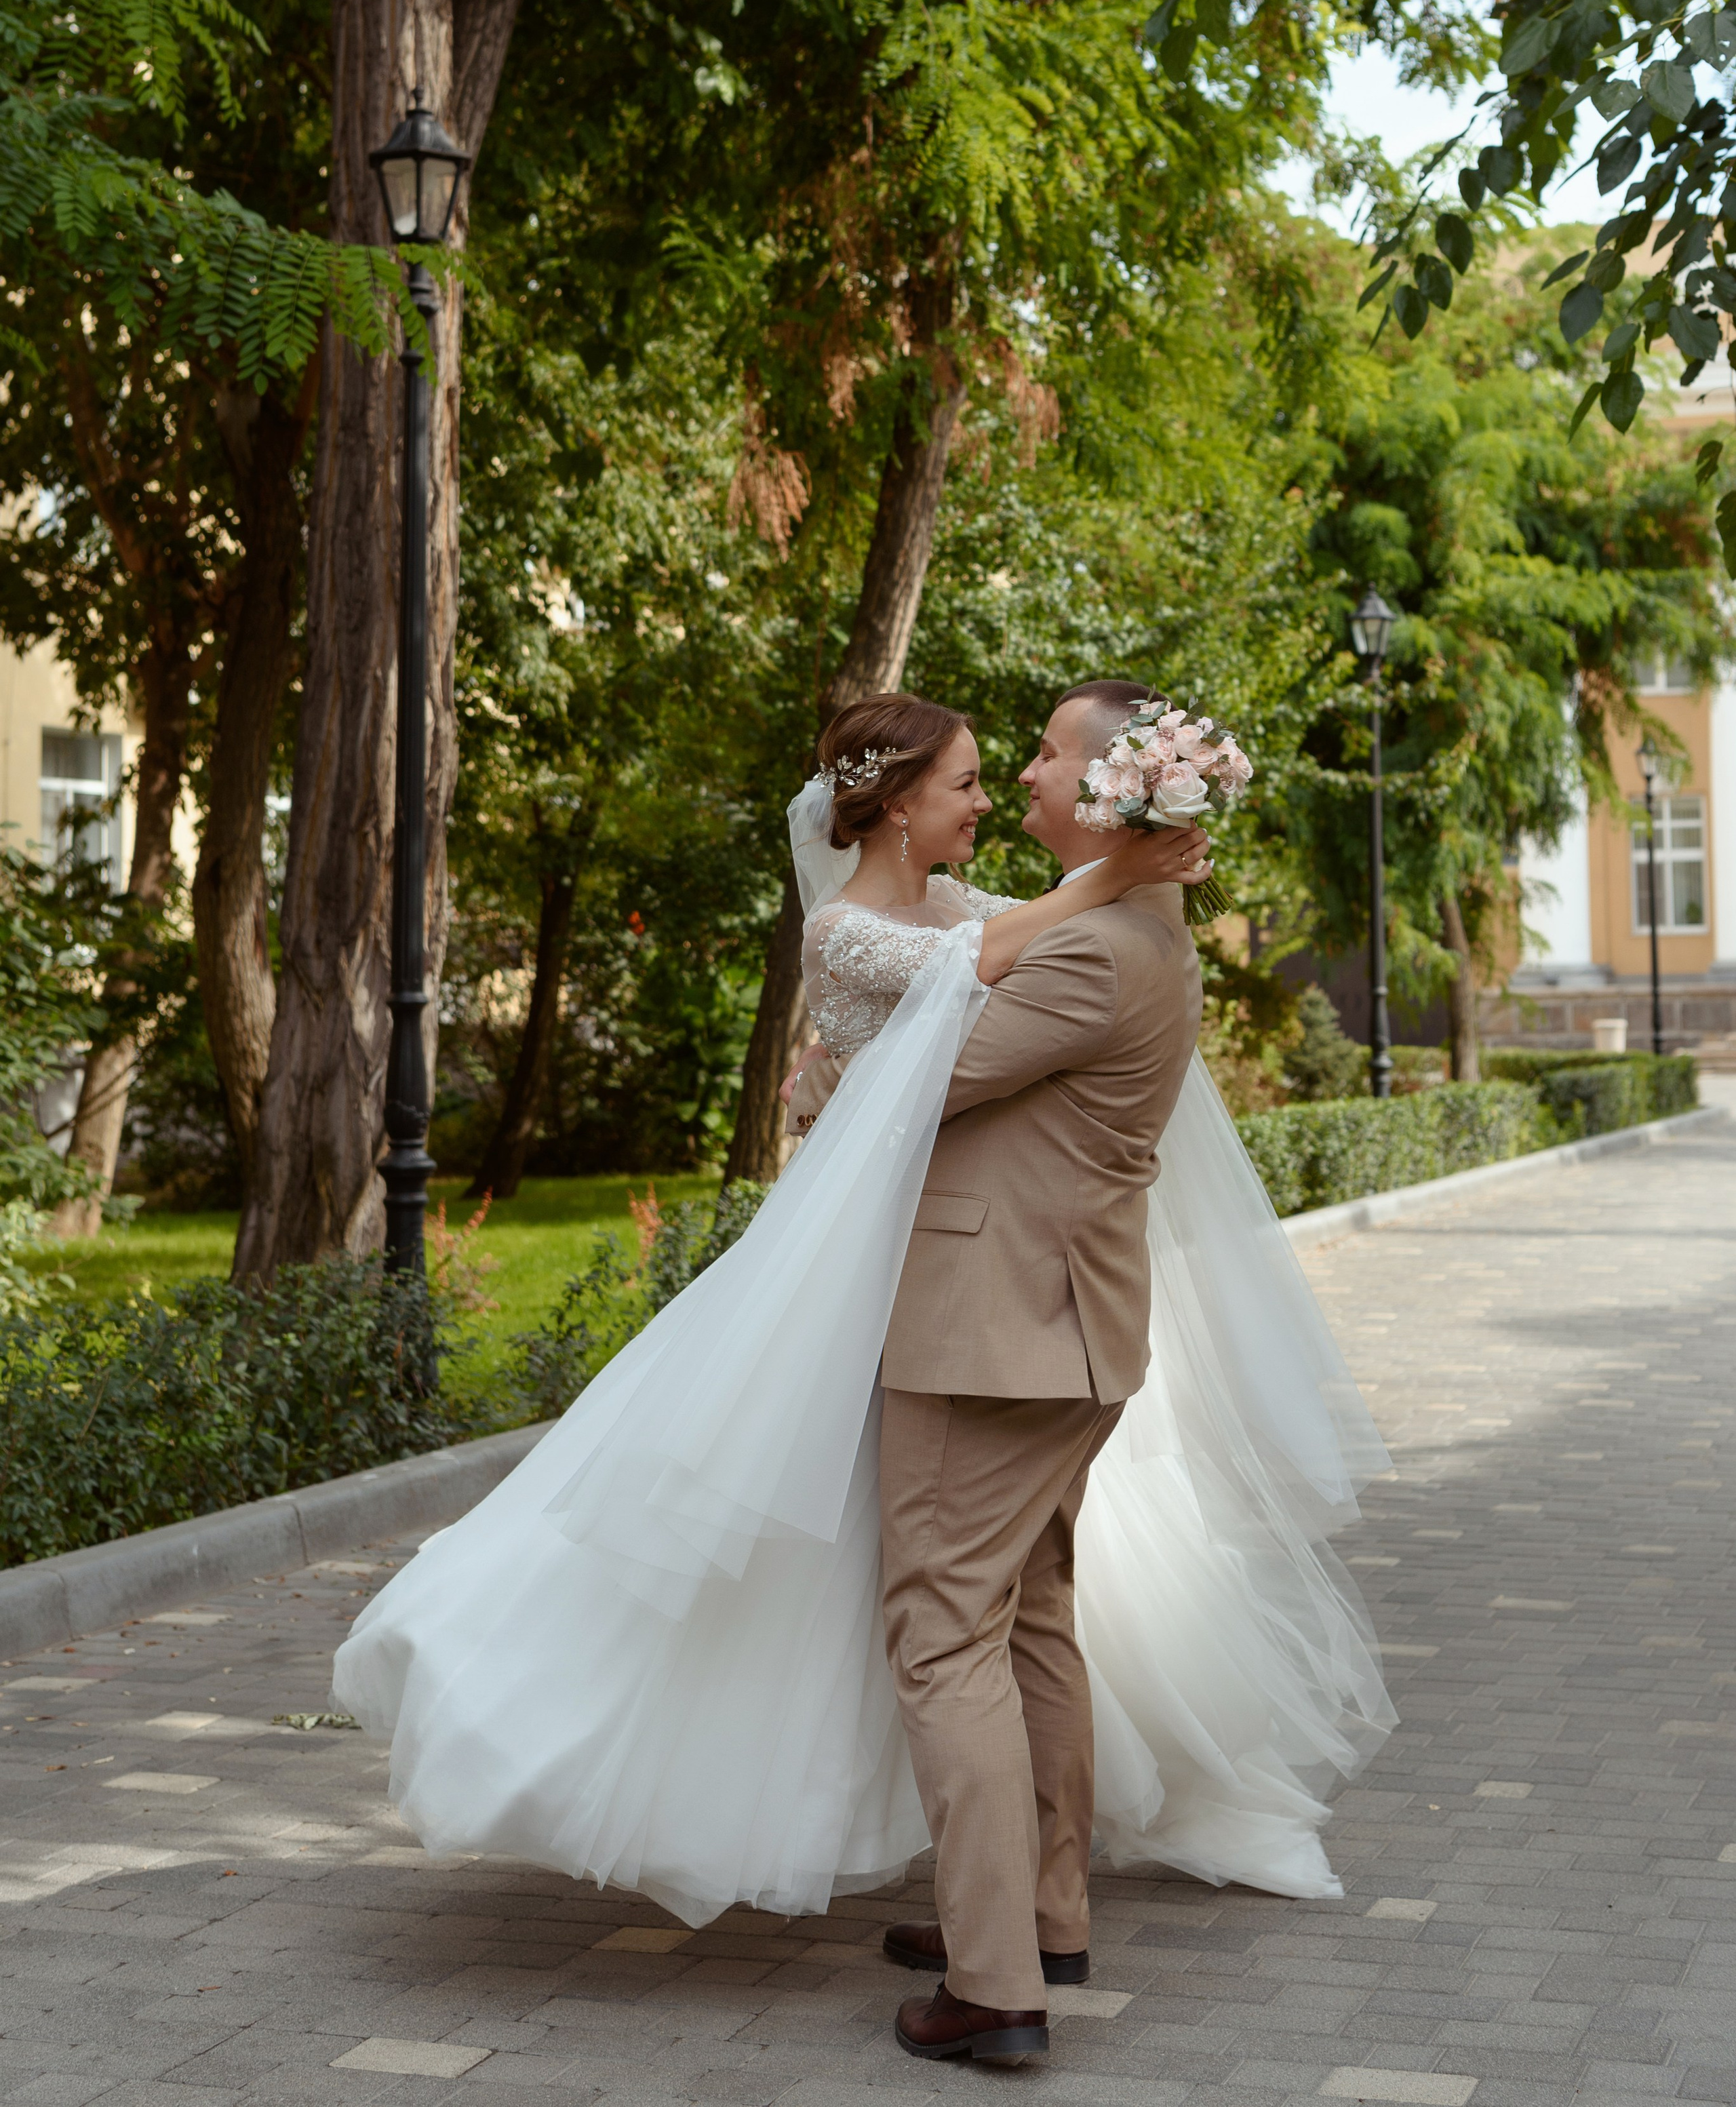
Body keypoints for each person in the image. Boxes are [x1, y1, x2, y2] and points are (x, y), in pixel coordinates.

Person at [332, 683, 1392, 2066]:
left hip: (988, 1333)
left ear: (1120, 793)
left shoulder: (1084, 949)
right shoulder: (1105, 927)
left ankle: (997, 1986)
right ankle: (1039, 1911)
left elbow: (921, 1072)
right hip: (1059, 1328)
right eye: (979, 769)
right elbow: (933, 1032)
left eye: (1040, 758)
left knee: (943, 1635)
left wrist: (829, 1087)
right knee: (1027, 1623)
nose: (1010, 780)